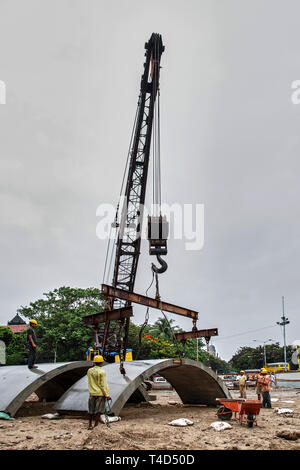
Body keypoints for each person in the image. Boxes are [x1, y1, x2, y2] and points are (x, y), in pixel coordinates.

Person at [87, 355, 111, 430]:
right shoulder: (102, 372)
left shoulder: (89, 371)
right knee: (99, 411)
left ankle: (90, 425)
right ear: (101, 363)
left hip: (92, 393)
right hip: (100, 394)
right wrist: (107, 395)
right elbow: (103, 384)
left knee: (91, 410)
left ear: (94, 362)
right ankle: (96, 426)